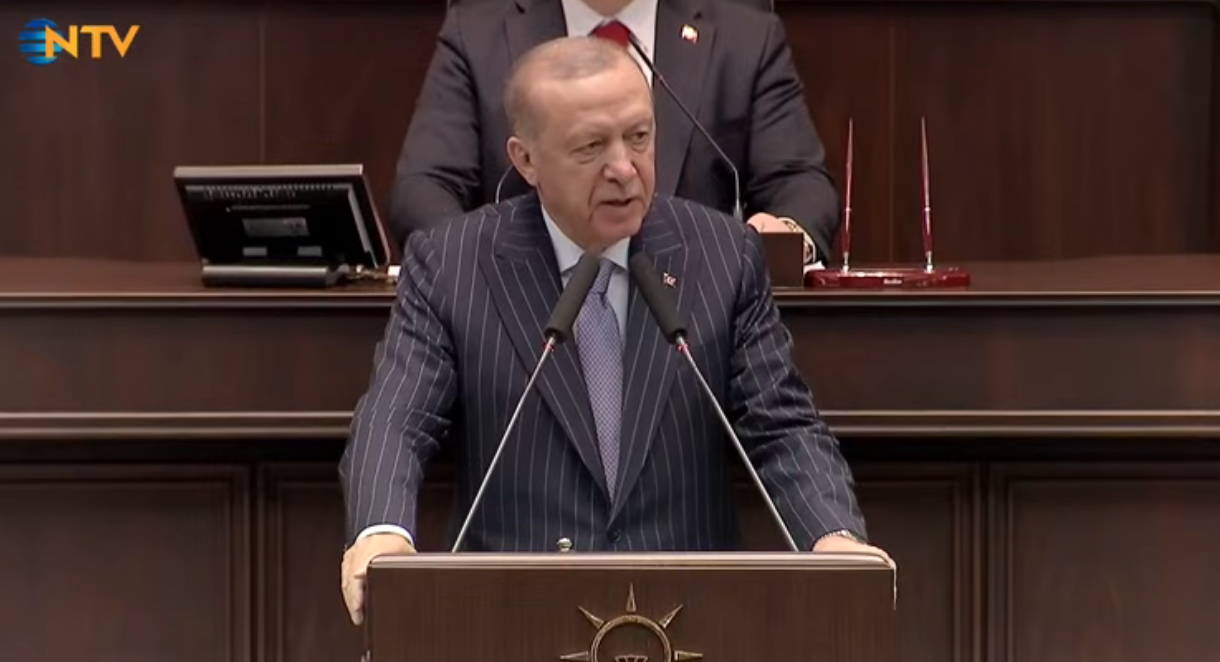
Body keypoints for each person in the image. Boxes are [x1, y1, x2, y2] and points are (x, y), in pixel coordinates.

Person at [339, 36, 889, 626]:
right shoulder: (453, 264)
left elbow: (782, 426)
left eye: (639, 137)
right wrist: (381, 533)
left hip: (693, 613)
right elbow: (396, 418)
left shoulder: (722, 255)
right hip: (513, 616)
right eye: (591, 147)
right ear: (526, 160)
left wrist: (832, 537)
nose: (625, 169)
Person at [386, 0, 842, 266]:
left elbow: (801, 186)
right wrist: (485, 272)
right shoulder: (477, 33)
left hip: (696, 323)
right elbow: (424, 188)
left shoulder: (744, 38)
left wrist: (781, 239)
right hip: (522, 318)